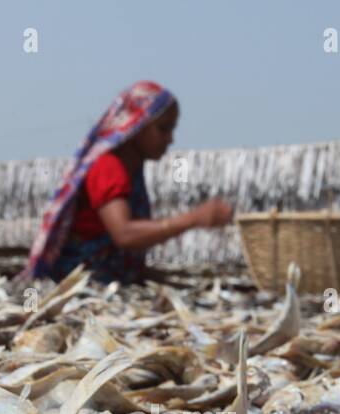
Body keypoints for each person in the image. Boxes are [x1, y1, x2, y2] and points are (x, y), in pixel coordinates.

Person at [24, 81, 232, 285]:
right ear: (137, 125)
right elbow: (123, 234)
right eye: (163, 129)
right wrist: (193, 219)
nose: (170, 139)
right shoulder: (108, 167)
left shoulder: (132, 171)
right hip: (86, 283)